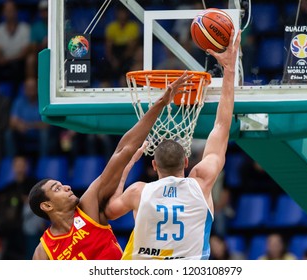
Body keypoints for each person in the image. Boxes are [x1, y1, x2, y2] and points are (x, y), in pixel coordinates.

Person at [105, 30, 241, 260]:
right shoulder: (201, 182)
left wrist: (127, 167)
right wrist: (228, 70)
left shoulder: (138, 191)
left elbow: (109, 210)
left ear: (154, 166)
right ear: (187, 161)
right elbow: (221, 127)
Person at [28, 71, 194, 260]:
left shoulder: (87, 207)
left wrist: (161, 103)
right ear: (47, 205)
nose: (66, 186)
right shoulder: (43, 253)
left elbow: (122, 151)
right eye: (57, 188)